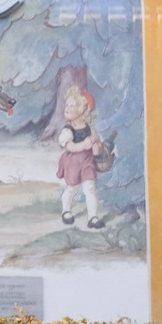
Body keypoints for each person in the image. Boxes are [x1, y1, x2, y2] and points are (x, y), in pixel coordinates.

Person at [55, 87, 104, 229]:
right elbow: (68, 146)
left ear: (83, 109)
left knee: (89, 188)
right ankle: (66, 211)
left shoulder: (90, 127)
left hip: (87, 163)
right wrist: (82, 145)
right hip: (73, 164)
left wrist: (97, 147)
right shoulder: (68, 129)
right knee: (72, 189)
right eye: (67, 105)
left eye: (72, 106)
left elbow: (97, 143)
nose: (68, 108)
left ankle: (93, 218)